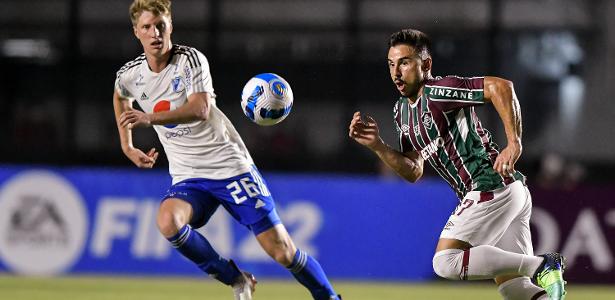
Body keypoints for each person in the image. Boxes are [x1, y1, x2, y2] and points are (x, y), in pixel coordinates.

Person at [112, 1, 341, 299]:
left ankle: (330, 298)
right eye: (147, 27)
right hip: (189, 174)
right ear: (136, 32)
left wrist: (148, 118)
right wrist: (127, 145)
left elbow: (200, 109)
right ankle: (236, 278)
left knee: (282, 251)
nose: (155, 33)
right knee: (167, 221)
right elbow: (120, 96)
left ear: (171, 26)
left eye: (161, 25)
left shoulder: (190, 60)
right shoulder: (130, 74)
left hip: (230, 166)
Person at [348, 28, 566, 300]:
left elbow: (501, 87)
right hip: (509, 191)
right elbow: (414, 171)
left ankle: (542, 264)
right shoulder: (401, 112)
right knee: (514, 288)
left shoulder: (439, 91)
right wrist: (377, 145)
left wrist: (514, 143)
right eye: (391, 64)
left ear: (425, 64)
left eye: (404, 62)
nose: (396, 72)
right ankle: (542, 271)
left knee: (445, 261)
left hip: (489, 185)